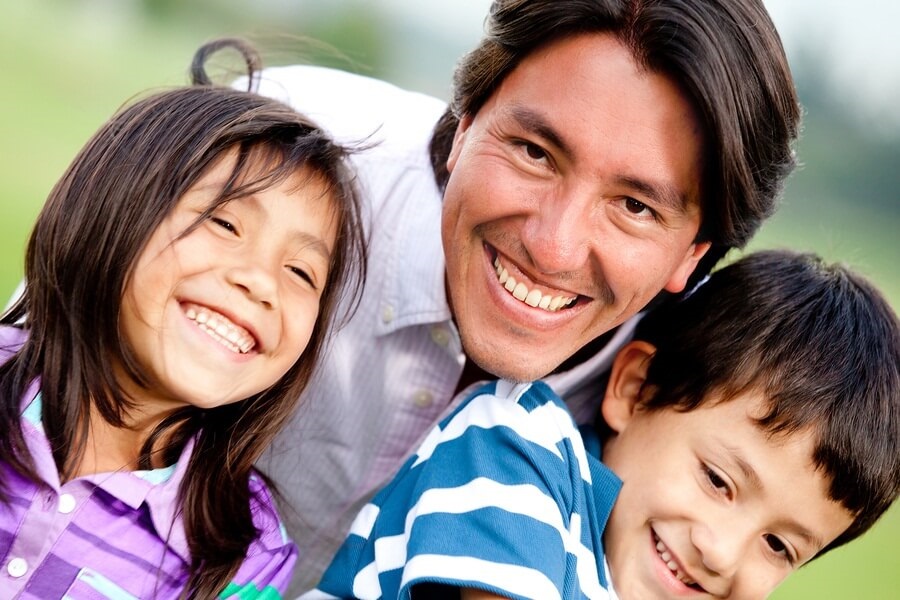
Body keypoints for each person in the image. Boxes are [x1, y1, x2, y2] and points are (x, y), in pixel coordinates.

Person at [247, 0, 802, 591]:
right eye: (534, 153)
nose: (553, 248)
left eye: (635, 207)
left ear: (692, 254)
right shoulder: (269, 159)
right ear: (466, 121)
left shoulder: (675, 400)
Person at [305, 249, 900, 599]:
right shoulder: (518, 446)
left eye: (778, 546)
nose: (721, 552)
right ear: (634, 391)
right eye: (718, 480)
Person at [0, 39, 366, 599]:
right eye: (225, 224)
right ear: (110, 204)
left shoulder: (246, 556)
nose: (261, 282)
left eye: (300, 272)